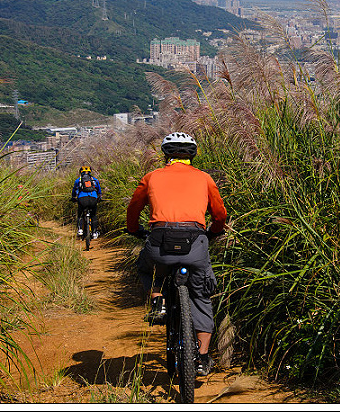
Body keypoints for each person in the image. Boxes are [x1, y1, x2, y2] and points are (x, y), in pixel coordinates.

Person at [126, 132, 227, 377]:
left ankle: (158, 301)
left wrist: (134, 230)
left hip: (160, 242)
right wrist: (213, 233)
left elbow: (134, 208)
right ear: (192, 155)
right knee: (201, 296)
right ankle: (201, 359)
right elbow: (220, 215)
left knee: (146, 267)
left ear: (166, 154)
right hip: (196, 243)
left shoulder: (151, 177)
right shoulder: (204, 178)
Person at [71, 165, 102, 239]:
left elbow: (74, 191)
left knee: (80, 215)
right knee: (93, 215)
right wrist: (99, 197)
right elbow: (99, 191)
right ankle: (94, 233)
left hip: (82, 199)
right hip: (93, 199)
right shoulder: (95, 180)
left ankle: (80, 230)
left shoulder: (78, 180)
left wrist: (73, 198)